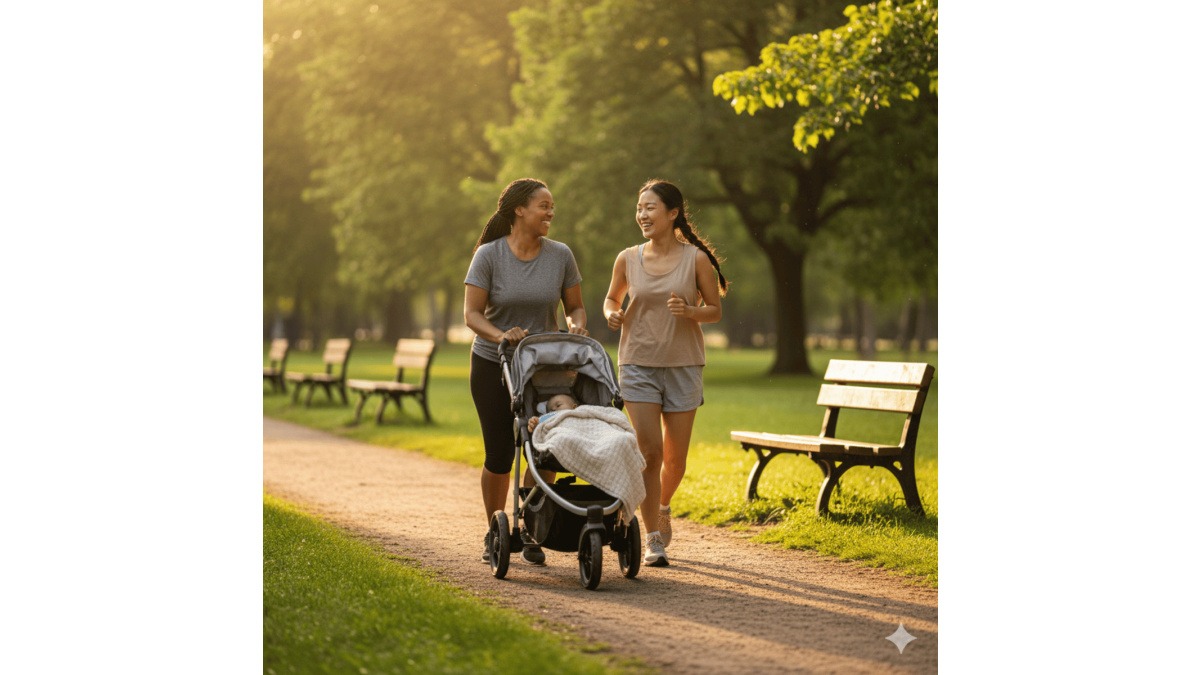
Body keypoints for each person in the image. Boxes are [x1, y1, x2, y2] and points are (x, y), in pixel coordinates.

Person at [602, 179, 729, 567]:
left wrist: (691, 312)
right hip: (638, 362)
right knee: (649, 452)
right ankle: (653, 536)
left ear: (672, 213)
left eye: (650, 207)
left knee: (675, 460)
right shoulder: (628, 258)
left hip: (683, 365)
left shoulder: (696, 260)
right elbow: (611, 297)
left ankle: (662, 505)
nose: (642, 214)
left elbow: (715, 310)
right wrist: (612, 313)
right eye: (639, 207)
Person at [464, 177, 589, 566]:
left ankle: (535, 527)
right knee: (500, 454)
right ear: (520, 210)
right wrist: (502, 335)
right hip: (493, 363)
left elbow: (576, 306)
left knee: (544, 448)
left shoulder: (560, 255)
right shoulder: (489, 255)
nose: (551, 212)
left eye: (552, 206)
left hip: (543, 367)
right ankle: (495, 531)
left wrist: (576, 325)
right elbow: (470, 314)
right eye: (543, 206)